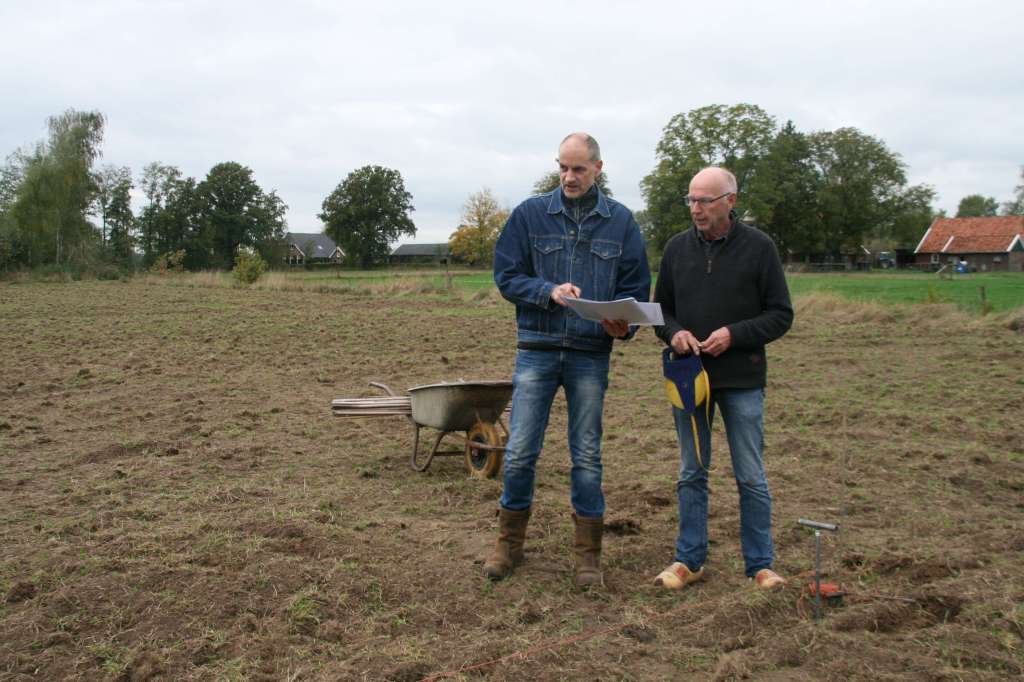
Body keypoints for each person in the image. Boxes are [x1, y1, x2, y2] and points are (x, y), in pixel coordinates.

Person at [486, 132, 651, 587]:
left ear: (598, 168)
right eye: (562, 167)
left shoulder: (622, 222)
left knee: (587, 456)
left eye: (578, 168)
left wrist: (624, 325)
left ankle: (587, 557)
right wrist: (548, 291)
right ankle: (509, 545)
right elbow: (506, 275)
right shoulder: (529, 214)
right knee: (520, 452)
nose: (569, 177)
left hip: (589, 355)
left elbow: (635, 289)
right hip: (536, 350)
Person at [653, 166, 793, 591]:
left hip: (741, 378)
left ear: (730, 201)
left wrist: (734, 334)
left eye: (704, 201)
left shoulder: (759, 248)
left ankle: (760, 565)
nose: (695, 209)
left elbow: (780, 315)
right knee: (691, 470)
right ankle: (689, 560)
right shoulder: (676, 249)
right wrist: (674, 333)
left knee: (750, 473)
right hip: (688, 377)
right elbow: (661, 312)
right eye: (691, 200)